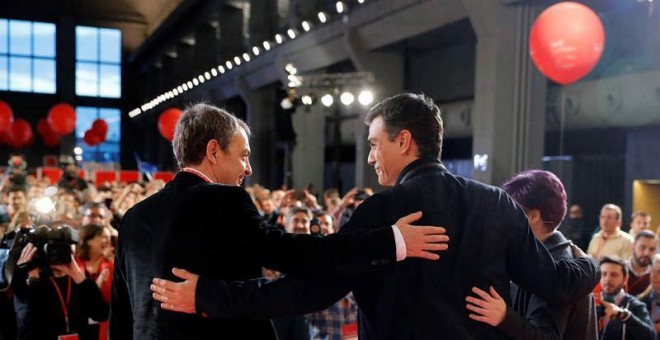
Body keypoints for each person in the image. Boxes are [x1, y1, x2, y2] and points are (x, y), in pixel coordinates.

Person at [151, 93, 600, 339]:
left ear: (404, 141)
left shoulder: (381, 212)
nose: (370, 157)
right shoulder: (496, 204)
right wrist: (591, 263)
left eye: (374, 143)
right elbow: (556, 282)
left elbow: (305, 292)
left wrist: (209, 297)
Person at [110, 103, 448, 340]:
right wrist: (390, 241)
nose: (249, 169)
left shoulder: (134, 218)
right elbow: (295, 254)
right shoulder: (223, 200)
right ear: (213, 151)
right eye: (243, 155)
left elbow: (122, 317)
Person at [465, 169, 597, 339]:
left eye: (510, 210)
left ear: (533, 216)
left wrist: (504, 316)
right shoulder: (541, 255)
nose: (503, 217)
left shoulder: (556, 263)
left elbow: (546, 336)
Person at [595, 256, 654, 339]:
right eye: (603, 274)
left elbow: (650, 336)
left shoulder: (636, 305)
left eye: (614, 275)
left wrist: (624, 315)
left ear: (625, 279)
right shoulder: (592, 302)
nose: (607, 279)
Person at [626, 231, 657, 296]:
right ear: (633, 247)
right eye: (642, 247)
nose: (647, 253)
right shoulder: (619, 270)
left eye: (652, 249)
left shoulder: (657, 275)